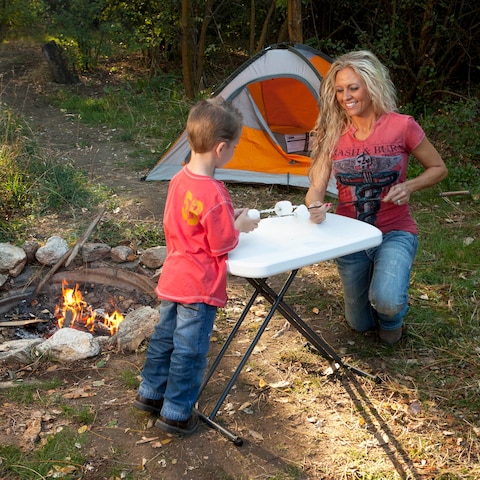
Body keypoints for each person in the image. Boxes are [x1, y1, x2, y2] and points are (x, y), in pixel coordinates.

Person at [134, 97, 259, 435]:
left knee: (164, 339)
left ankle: (150, 393)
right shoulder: (215, 193)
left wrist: (227, 219)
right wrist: (240, 225)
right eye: (233, 147)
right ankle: (176, 412)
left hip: (174, 277)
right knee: (189, 350)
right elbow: (222, 244)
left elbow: (188, 223)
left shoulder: (178, 179)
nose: (232, 152)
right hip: (199, 287)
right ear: (221, 149)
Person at [306, 50, 447, 345]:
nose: (346, 96)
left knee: (386, 301)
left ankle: (391, 313)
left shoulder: (402, 126)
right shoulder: (331, 132)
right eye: (340, 90)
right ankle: (381, 290)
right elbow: (316, 187)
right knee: (359, 324)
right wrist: (314, 206)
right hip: (350, 236)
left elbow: (438, 168)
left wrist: (410, 187)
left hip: (395, 230)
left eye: (353, 87)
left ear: (371, 86)